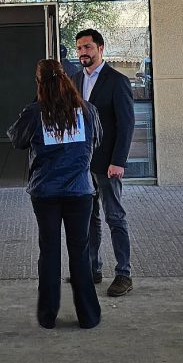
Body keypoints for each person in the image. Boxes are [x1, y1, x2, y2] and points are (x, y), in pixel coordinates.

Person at [8, 59, 102, 329]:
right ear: (66, 79)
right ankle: (88, 315)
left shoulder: (34, 112)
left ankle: (47, 315)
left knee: (49, 251)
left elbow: (17, 139)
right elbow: (98, 139)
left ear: (39, 83)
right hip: (80, 191)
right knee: (80, 252)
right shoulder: (88, 110)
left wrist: (35, 105)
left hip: (45, 192)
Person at [71, 29, 135, 297]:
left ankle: (124, 274)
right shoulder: (75, 80)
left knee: (114, 216)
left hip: (108, 164)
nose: (83, 52)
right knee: (89, 218)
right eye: (79, 48)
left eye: (87, 47)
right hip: (83, 164)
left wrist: (118, 161)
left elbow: (126, 124)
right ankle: (92, 268)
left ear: (100, 48)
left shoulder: (117, 81)